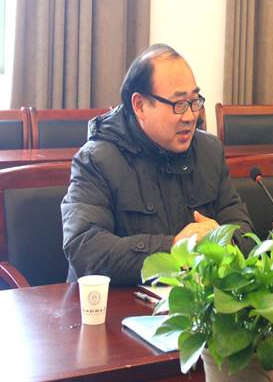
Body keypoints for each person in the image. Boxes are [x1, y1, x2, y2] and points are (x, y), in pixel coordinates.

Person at [62, 44, 255, 285]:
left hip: (195, 300)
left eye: (195, 101)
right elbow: (85, 248)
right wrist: (172, 248)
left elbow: (245, 234)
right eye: (178, 104)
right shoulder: (96, 160)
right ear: (140, 105)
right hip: (118, 302)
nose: (190, 116)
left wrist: (223, 239)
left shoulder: (209, 151)